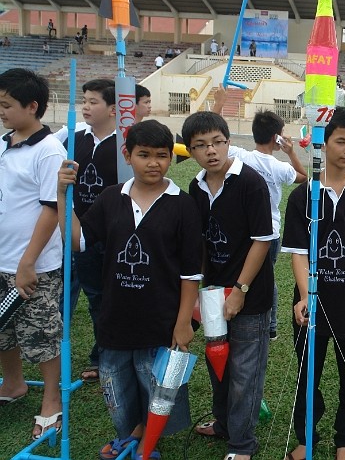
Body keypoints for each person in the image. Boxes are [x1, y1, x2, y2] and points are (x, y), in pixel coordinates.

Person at [57, 120, 203, 460]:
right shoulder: (112, 198)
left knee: (156, 385)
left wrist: (184, 322)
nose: (153, 163)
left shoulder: (182, 205)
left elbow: (190, 272)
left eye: (161, 156)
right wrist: (62, 195)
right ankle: (131, 432)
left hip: (161, 319)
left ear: (171, 159)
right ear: (128, 155)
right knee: (116, 384)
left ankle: (148, 438)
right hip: (116, 317)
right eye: (144, 155)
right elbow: (77, 241)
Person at [282, 107, 345, 460]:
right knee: (307, 375)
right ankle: (306, 438)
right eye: (341, 141)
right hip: (311, 306)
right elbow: (299, 253)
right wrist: (303, 297)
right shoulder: (303, 197)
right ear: (323, 143)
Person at [182, 112, 273, 460]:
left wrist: (240, 290)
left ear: (228, 141)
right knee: (218, 364)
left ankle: (242, 444)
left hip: (249, 295)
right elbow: (202, 244)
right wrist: (200, 291)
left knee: (245, 372)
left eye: (217, 142)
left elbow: (262, 241)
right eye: (201, 145)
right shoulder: (197, 187)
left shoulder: (250, 182)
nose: (211, 151)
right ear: (190, 150)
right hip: (213, 294)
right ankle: (223, 424)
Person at [0, 68, 66, 440]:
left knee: (41, 333)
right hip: (2, 257)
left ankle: (52, 400)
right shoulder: (4, 143)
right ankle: (13, 383)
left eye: (7, 104)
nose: (1, 111)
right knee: (2, 330)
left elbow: (51, 209)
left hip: (32, 265)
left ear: (32, 106)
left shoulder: (48, 150)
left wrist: (28, 262)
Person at [223, 106, 307, 341]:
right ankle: (270, 326)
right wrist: (291, 153)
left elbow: (218, 141)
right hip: (269, 232)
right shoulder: (279, 167)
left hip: (243, 230)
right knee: (265, 278)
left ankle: (238, 315)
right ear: (276, 137)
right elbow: (304, 178)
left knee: (240, 273)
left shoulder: (240, 156)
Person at [63, 79, 119, 383]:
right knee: (95, 297)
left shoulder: (124, 145)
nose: (85, 107)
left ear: (112, 109)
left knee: (117, 294)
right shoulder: (73, 140)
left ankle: (117, 352)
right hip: (83, 233)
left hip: (115, 234)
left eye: (93, 102)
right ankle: (102, 356)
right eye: (84, 101)